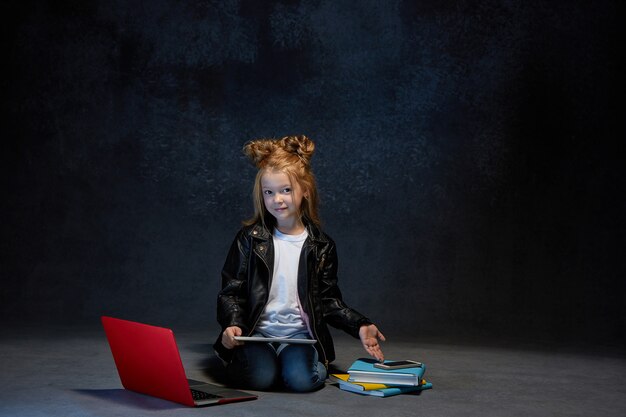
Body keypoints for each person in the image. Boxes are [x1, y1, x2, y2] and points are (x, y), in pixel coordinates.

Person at [214, 135, 385, 392]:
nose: (277, 200)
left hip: (299, 338)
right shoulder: (250, 239)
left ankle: (302, 361)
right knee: (261, 378)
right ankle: (257, 359)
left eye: (286, 190)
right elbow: (231, 292)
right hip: (255, 334)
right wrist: (232, 324)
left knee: (301, 381)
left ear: (305, 190)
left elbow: (328, 300)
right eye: (269, 192)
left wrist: (360, 325)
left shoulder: (321, 245)